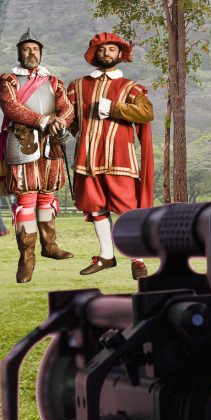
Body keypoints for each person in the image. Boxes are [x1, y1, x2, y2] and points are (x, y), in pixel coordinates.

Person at [65, 32, 153, 278]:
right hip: (87, 159)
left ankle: (138, 259)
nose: (107, 53)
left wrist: (115, 109)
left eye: (112, 49)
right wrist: (76, 133)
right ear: (95, 54)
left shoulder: (130, 87)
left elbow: (146, 113)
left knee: (128, 209)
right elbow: (69, 117)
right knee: (95, 207)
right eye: (102, 49)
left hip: (120, 158)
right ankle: (106, 256)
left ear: (120, 54)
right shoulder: (78, 86)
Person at [0, 30, 75, 281]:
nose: (32, 53)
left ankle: (49, 246)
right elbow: (12, 108)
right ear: (19, 52)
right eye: (27, 49)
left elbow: (67, 108)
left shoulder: (54, 82)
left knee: (46, 197)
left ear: (41, 52)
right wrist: (43, 121)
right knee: (26, 201)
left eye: (36, 49)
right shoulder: (6, 80)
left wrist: (60, 122)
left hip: (51, 143)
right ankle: (27, 256)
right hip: (22, 141)